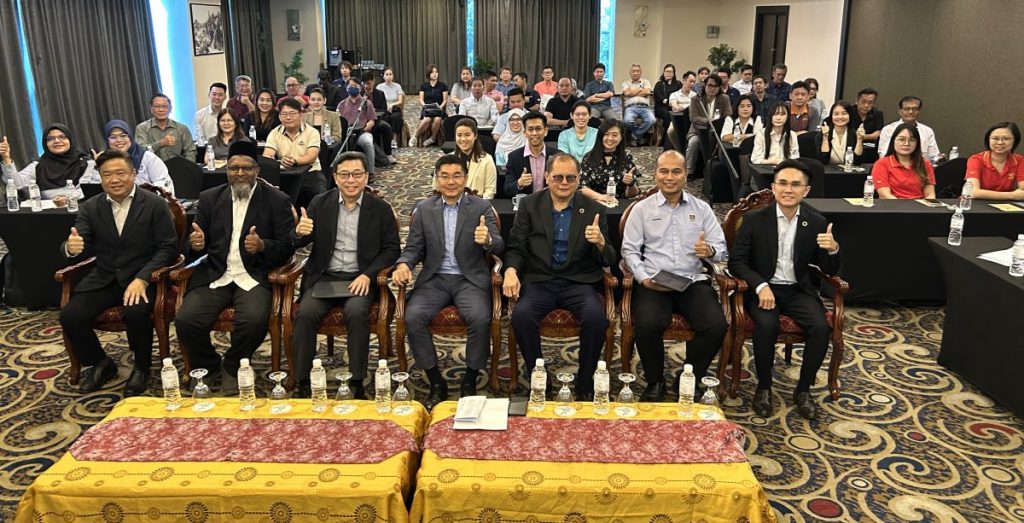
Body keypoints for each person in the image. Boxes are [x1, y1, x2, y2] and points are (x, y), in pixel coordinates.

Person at [175, 141, 295, 395]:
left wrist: (262, 245)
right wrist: (195, 244)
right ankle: (209, 365)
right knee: (186, 320)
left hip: (255, 275)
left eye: (246, 168)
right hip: (217, 273)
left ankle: (233, 365)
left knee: (254, 320)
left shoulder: (277, 201)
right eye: (233, 168)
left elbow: (287, 247)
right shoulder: (209, 198)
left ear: (257, 170)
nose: (240, 173)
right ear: (226, 170)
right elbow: (192, 244)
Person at [728, 158, 841, 419]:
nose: (788, 189)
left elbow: (829, 270)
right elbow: (737, 262)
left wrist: (833, 249)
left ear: (806, 190)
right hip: (763, 289)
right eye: (782, 183)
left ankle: (803, 390)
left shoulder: (815, 222)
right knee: (767, 325)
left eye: (795, 185)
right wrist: (760, 285)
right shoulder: (754, 219)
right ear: (773, 187)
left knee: (820, 327)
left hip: (798, 289)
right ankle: (764, 387)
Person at [59, 149, 178, 395]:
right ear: (100, 178)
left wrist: (142, 278)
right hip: (106, 277)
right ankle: (101, 363)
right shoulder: (91, 207)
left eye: (120, 173)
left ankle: (142, 368)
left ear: (133, 174)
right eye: (107, 175)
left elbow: (168, 248)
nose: (114, 180)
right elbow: (78, 239)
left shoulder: (154, 204)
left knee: (135, 312)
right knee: (70, 316)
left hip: (145, 277)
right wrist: (71, 247)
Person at [503, 152, 617, 401]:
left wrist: (600, 243)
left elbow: (608, 259)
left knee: (596, 319)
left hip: (578, 281)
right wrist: (510, 270)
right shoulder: (530, 205)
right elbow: (516, 246)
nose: (564, 183)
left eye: (570, 178)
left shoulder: (594, 209)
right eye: (558, 177)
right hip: (540, 280)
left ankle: (585, 382)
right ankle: (539, 378)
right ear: (546, 177)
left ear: (578, 179)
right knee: (521, 317)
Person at [394, 154, 504, 407]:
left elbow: (499, 245)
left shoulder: (480, 207)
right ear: (436, 179)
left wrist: (487, 240)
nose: (451, 181)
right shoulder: (424, 209)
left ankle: (470, 379)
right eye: (444, 176)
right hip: (435, 278)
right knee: (413, 316)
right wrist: (404, 264)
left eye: (457, 176)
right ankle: (435, 381)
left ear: (465, 178)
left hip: (469, 279)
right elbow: (413, 247)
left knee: (480, 318)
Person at [290, 151, 400, 399]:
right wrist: (299, 232)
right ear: (336, 177)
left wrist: (368, 275)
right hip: (325, 277)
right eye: (345, 175)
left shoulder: (380, 208)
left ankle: (357, 381)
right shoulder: (320, 203)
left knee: (356, 313)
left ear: (366, 177)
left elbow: (392, 249)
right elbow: (299, 241)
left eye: (357, 174)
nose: (351, 180)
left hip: (359, 278)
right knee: (305, 314)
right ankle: (302, 381)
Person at [621, 150, 728, 401]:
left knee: (716, 325)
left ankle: (689, 375)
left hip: (692, 281)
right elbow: (629, 251)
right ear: (655, 174)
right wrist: (643, 278)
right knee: (647, 325)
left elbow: (722, 250)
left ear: (686, 175)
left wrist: (710, 251)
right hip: (654, 281)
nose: (670, 177)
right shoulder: (641, 209)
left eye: (676, 171)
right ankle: (655, 381)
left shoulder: (701, 209)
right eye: (664, 171)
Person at [1, 124, 91, 204]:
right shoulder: (38, 166)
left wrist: (68, 198)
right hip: (48, 213)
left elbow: (87, 190)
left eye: (62, 137)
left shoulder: (85, 163)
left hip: (78, 209)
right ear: (45, 143)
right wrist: (6, 158)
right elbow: (16, 183)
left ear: (70, 140)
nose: (57, 141)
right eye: (50, 139)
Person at [81, 120, 174, 194]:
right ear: (107, 140)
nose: (119, 140)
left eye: (123, 136)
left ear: (130, 137)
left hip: (148, 205)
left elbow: (164, 186)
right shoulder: (105, 161)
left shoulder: (148, 158)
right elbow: (94, 190)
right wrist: (98, 165)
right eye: (113, 137)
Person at [262, 98, 324, 206]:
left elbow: (312, 156)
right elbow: (267, 155)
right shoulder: (274, 133)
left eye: (292, 113)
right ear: (279, 116)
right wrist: (275, 161)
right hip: (285, 174)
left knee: (320, 197)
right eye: (284, 114)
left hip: (311, 173)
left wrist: (294, 161)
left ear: (301, 115)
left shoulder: (312, 132)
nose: (288, 117)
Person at [580, 119, 641, 203]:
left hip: (619, 203)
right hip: (595, 202)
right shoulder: (589, 157)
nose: (610, 138)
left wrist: (630, 184)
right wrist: (602, 197)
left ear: (621, 137)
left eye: (614, 135)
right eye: (606, 134)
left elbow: (632, 195)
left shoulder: (627, 157)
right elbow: (582, 188)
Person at [871, 123, 936, 199]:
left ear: (917, 143)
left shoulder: (925, 164)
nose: (906, 144)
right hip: (892, 205)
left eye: (912, 140)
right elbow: (885, 195)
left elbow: (930, 195)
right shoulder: (881, 164)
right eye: (901, 139)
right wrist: (904, 206)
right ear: (893, 141)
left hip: (920, 205)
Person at [684, 75, 732, 176]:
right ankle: (689, 171)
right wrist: (708, 121)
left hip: (718, 132)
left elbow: (728, 116)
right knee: (693, 143)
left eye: (715, 86)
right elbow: (693, 118)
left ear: (719, 87)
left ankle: (717, 174)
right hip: (697, 131)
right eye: (710, 85)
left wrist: (717, 123)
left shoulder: (724, 98)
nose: (712, 89)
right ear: (704, 85)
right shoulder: (696, 99)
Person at [504, 111, 560, 196]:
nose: (534, 133)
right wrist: (519, 183)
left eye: (538, 129)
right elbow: (507, 189)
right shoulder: (514, 157)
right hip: (526, 202)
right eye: (530, 129)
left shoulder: (558, 156)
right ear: (524, 133)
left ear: (545, 131)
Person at [965, 122, 1024, 200]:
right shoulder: (976, 160)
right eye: (995, 138)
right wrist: (1012, 195)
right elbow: (973, 192)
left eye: (1006, 139)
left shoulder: (1019, 160)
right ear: (988, 140)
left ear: (1015, 140)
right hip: (976, 204)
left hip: (1005, 205)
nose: (1000, 142)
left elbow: (1022, 190)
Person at [336, 78, 380, 178]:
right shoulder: (341, 104)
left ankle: (370, 172)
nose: (353, 88)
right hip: (346, 133)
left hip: (362, 132)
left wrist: (363, 129)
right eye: (351, 86)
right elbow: (337, 121)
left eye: (355, 86)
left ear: (360, 88)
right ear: (346, 88)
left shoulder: (366, 103)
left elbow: (372, 121)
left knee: (368, 142)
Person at [136, 94, 196, 162]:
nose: (161, 110)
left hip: (177, 166)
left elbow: (191, 151)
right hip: (152, 166)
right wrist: (161, 143)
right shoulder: (142, 128)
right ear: (151, 109)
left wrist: (188, 166)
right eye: (157, 106)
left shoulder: (182, 128)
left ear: (170, 109)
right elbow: (140, 151)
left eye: (164, 106)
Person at [452, 117, 497, 198]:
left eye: (467, 135)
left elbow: (490, 190)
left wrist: (479, 204)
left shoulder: (487, 159)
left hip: (479, 204)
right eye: (459, 135)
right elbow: (438, 189)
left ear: (475, 136)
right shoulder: (447, 160)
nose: (463, 139)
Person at [361, 73, 397, 164]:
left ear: (373, 81)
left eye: (368, 83)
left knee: (386, 127)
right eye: (364, 83)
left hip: (376, 119)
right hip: (362, 121)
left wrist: (373, 112)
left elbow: (384, 109)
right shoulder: (359, 94)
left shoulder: (380, 94)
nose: (366, 86)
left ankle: (388, 154)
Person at [818, 101, 864, 165]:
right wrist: (825, 137)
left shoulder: (854, 134)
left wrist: (859, 139)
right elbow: (823, 160)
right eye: (836, 114)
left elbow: (857, 162)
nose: (840, 117)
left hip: (848, 170)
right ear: (831, 116)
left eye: (844, 113)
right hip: (828, 170)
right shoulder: (823, 134)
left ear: (849, 115)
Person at [413, 64, 448, 147]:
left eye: (436, 72)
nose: (435, 74)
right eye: (432, 72)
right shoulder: (424, 86)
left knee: (437, 119)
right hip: (427, 109)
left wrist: (440, 107)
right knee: (427, 119)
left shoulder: (442, 85)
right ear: (428, 74)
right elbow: (421, 99)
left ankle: (432, 138)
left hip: (439, 109)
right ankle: (415, 136)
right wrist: (425, 106)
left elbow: (445, 100)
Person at [621, 64, 655, 146]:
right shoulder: (625, 83)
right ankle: (640, 137)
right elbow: (627, 93)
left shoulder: (646, 82)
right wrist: (640, 89)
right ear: (630, 73)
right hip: (631, 107)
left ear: (640, 72)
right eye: (633, 71)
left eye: (637, 71)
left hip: (645, 108)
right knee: (627, 121)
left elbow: (647, 91)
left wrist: (632, 92)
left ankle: (634, 136)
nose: (635, 73)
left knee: (652, 120)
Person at [849, 87, 884, 162]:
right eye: (863, 101)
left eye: (870, 102)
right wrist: (869, 136)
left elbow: (878, 134)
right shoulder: (849, 113)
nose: (866, 105)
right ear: (857, 101)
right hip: (851, 149)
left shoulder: (878, 114)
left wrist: (860, 136)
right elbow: (849, 134)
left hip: (871, 151)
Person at [666, 70, 697, 151]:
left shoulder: (695, 95)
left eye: (694, 82)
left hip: (691, 121)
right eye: (690, 81)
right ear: (684, 81)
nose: (692, 84)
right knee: (670, 131)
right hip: (678, 120)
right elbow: (675, 106)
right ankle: (680, 150)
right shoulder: (674, 94)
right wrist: (682, 107)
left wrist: (683, 106)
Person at [654, 64, 682, 145]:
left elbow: (680, 95)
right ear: (663, 72)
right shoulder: (659, 84)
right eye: (666, 71)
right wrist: (669, 102)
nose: (668, 73)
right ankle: (667, 139)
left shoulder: (678, 84)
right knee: (668, 114)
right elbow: (659, 97)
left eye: (670, 72)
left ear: (674, 73)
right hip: (661, 107)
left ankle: (678, 138)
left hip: (675, 106)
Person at [376, 67, 406, 141]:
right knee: (385, 118)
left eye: (390, 74)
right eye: (386, 74)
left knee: (395, 117)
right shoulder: (379, 87)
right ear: (383, 76)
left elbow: (400, 101)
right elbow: (378, 101)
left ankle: (394, 138)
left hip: (395, 108)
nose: (389, 76)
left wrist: (392, 105)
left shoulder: (397, 86)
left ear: (393, 76)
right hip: (384, 109)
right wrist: (386, 106)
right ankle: (385, 138)